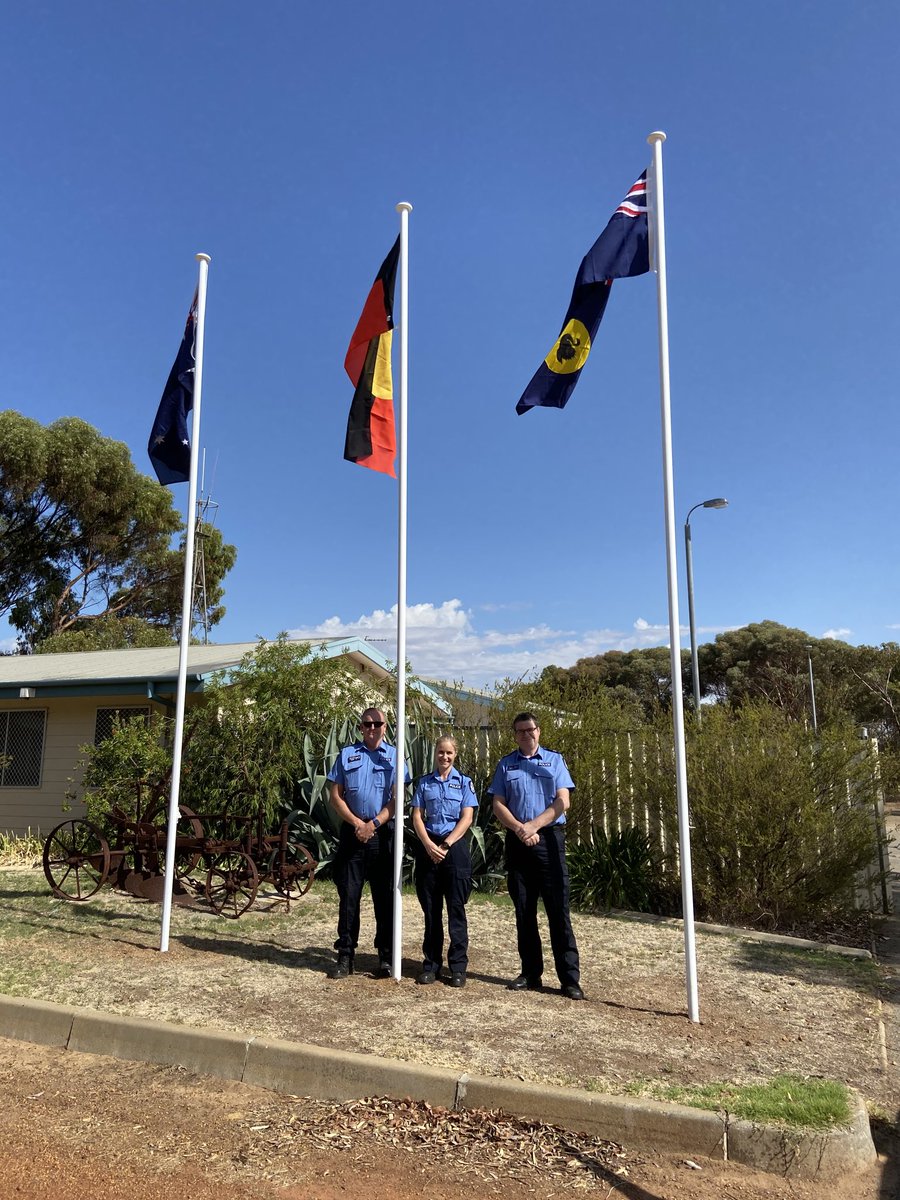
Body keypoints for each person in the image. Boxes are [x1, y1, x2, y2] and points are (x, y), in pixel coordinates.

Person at [489, 712, 584, 1000]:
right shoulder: (506, 764)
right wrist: (520, 828)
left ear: (538, 732)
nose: (526, 735)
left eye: (530, 730)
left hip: (549, 840)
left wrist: (534, 825)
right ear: (515, 735)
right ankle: (531, 973)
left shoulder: (554, 760)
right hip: (519, 842)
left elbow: (563, 800)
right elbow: (497, 804)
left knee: (558, 911)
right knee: (524, 911)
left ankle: (569, 979)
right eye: (520, 731)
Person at [327, 706, 409, 979]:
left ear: (385, 727)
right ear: (360, 727)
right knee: (349, 898)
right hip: (353, 834)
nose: (372, 728)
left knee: (384, 899)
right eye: (367, 724)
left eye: (377, 723)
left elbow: (398, 799)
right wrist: (357, 824)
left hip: (382, 835)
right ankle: (345, 955)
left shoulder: (396, 757)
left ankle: (385, 957)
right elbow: (335, 795)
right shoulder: (348, 755)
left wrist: (373, 824)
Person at [410, 735, 478, 988]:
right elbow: (417, 816)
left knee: (456, 911)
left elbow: (467, 817)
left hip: (454, 849)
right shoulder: (425, 783)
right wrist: (428, 844)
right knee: (431, 911)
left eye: (449, 753)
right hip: (429, 847)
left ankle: (458, 967)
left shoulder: (465, 784)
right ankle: (431, 965)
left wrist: (446, 845)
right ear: (435, 754)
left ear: (455, 755)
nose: (445, 757)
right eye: (441, 752)